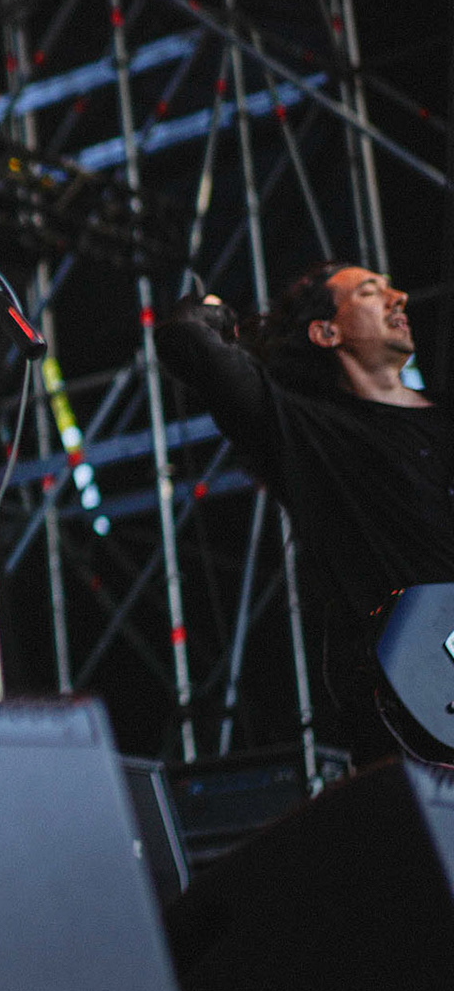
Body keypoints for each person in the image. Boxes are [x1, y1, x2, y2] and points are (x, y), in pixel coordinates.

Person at [155, 262, 454, 765]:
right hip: (418, 703)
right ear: (326, 331)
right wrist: (212, 316)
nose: (399, 297)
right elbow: (188, 342)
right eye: (369, 291)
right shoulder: (307, 428)